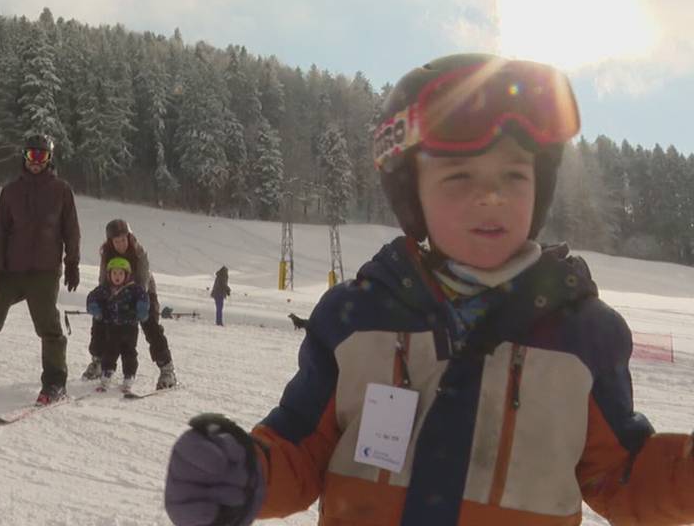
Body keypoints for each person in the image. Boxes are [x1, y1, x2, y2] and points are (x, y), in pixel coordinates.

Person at [163, 54, 694, 526]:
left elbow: (622, 474)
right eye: (460, 177)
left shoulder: (582, 335)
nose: (491, 196)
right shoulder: (356, 319)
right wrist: (243, 476)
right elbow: (300, 449)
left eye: (514, 176)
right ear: (412, 197)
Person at [0, 134, 81, 408]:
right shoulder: (11, 191)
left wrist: (72, 263)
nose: (35, 161)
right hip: (12, 271)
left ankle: (55, 382)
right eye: (31, 155)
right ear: (24, 158)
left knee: (49, 328)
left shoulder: (61, 190)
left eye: (41, 156)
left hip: (44, 272)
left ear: (49, 159)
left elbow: (71, 231)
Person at [82, 219, 178, 390]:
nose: (121, 244)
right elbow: (103, 281)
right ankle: (98, 361)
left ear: (129, 237)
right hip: (115, 290)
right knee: (101, 320)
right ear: (110, 242)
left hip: (142, 292)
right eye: (116, 241)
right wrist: (100, 303)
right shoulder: (107, 254)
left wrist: (138, 305)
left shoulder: (139, 253)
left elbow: (143, 282)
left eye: (123, 239)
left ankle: (167, 369)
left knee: (150, 324)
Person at [85, 257, 149, 394]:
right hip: (112, 328)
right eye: (114, 273)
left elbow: (143, 297)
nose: (117, 277)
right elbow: (92, 297)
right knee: (109, 352)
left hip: (130, 328)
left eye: (121, 273)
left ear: (127, 275)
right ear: (109, 275)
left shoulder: (133, 289)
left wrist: (142, 309)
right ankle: (106, 375)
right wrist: (94, 308)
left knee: (129, 353)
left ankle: (129, 376)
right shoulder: (105, 289)